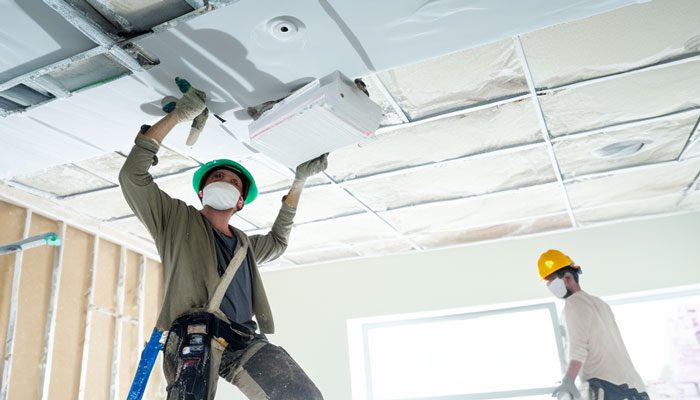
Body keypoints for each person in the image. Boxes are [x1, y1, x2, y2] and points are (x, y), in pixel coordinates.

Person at [120, 78, 326, 400]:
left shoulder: (245, 246)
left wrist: (298, 181)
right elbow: (132, 176)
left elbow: (278, 241)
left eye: (233, 182)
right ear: (202, 192)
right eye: (217, 177)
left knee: (302, 396)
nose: (224, 181)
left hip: (244, 339)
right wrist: (178, 116)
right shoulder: (175, 221)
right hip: (194, 330)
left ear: (240, 202)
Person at [537, 249, 649, 400]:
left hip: (609, 388)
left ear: (568, 278)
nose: (550, 286)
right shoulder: (599, 303)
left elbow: (579, 349)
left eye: (552, 280)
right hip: (636, 389)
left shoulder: (574, 304)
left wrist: (568, 381)